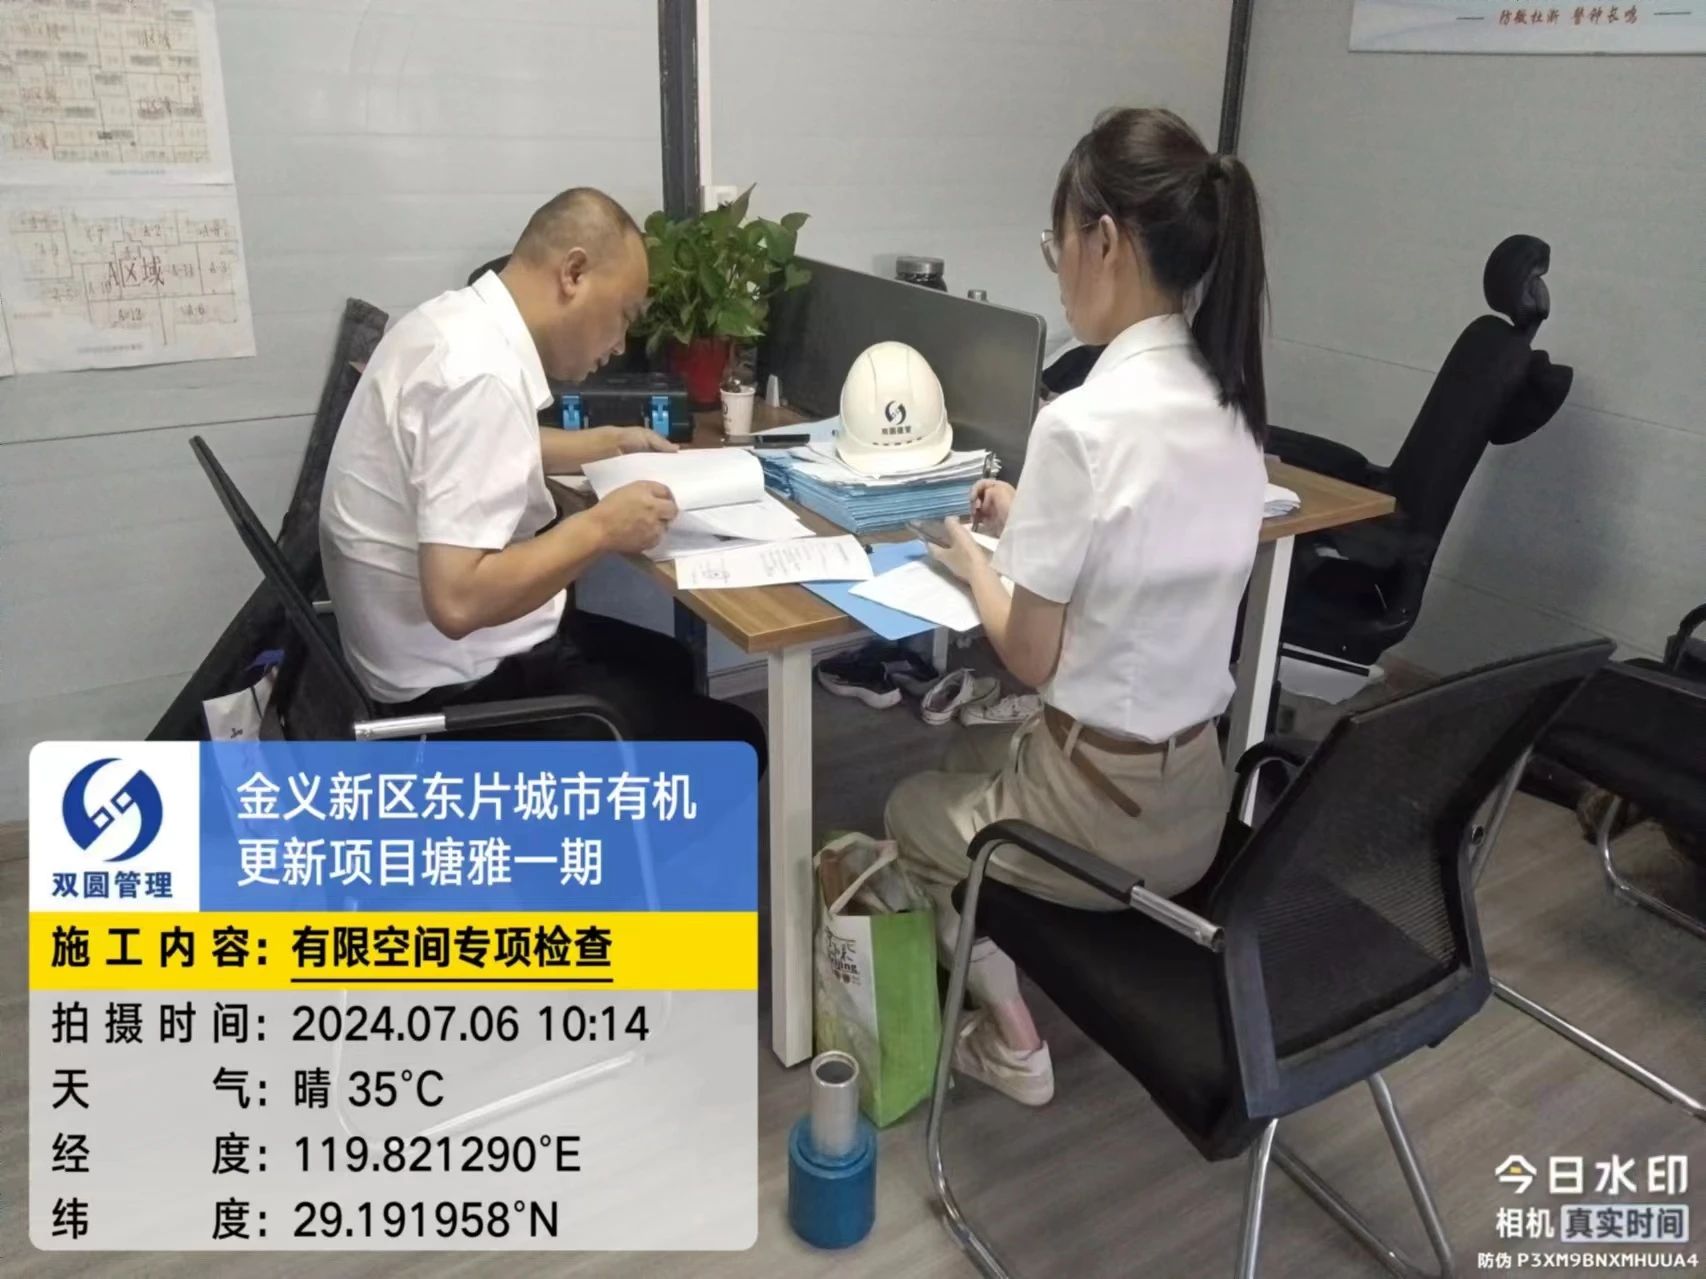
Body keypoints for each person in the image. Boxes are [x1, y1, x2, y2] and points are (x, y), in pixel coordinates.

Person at [884, 108, 1270, 1104]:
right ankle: (996, 949)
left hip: (1099, 820)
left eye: (1056, 242)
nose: (1057, 269)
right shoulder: (1233, 407)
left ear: (1103, 239)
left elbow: (1028, 655)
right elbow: (1142, 548)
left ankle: (1012, 1040)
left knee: (908, 807)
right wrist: (1032, 520)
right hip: (1197, 802)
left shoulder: (1083, 421)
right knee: (968, 757)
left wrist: (971, 558)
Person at [320, 187, 765, 761]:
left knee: (670, 662)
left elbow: (459, 455)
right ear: (573, 273)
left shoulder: (449, 325)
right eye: (624, 315)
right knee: (739, 744)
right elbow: (458, 602)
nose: (620, 344)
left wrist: (606, 443)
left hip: (406, 663)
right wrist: (602, 527)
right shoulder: (481, 377)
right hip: (458, 698)